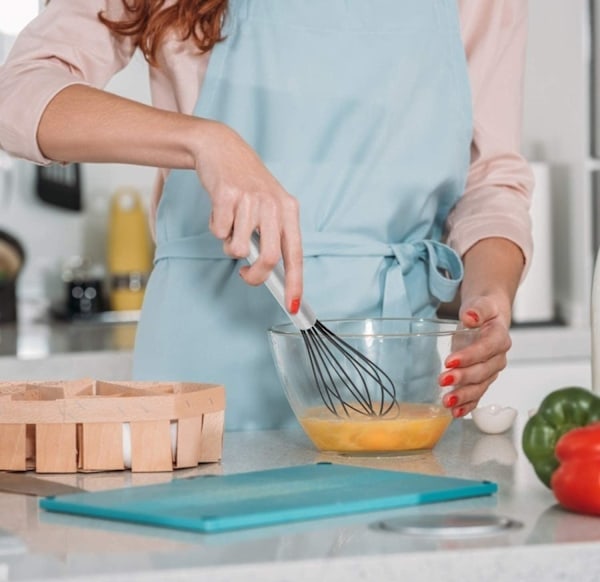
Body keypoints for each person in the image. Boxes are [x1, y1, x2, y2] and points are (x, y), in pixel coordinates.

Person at [0, 0, 534, 431]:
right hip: (203, 374)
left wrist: (490, 295)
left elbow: (491, 183)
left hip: (389, 364)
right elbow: (18, 96)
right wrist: (204, 142)